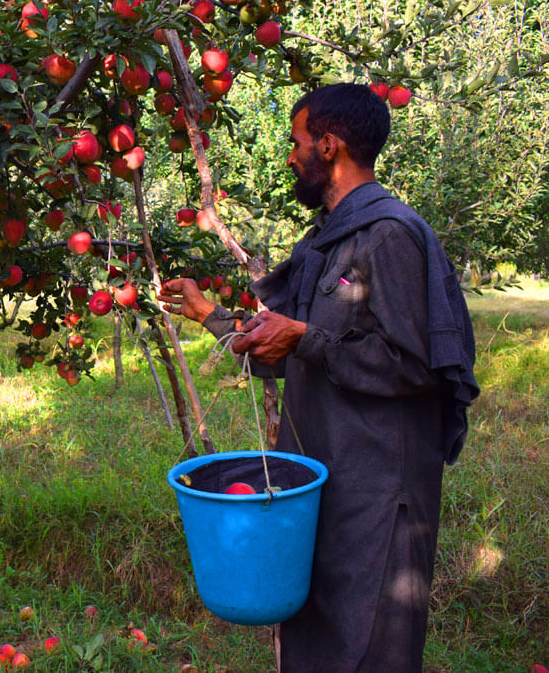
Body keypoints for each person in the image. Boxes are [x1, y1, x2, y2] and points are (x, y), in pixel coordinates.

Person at [157, 83, 479, 673]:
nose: (289, 156)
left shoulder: (388, 235)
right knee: (315, 636)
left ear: (328, 145)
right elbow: (287, 346)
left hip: (379, 487)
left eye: (296, 142)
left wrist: (309, 341)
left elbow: (417, 365)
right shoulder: (327, 243)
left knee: (370, 642)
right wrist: (209, 314)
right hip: (319, 476)